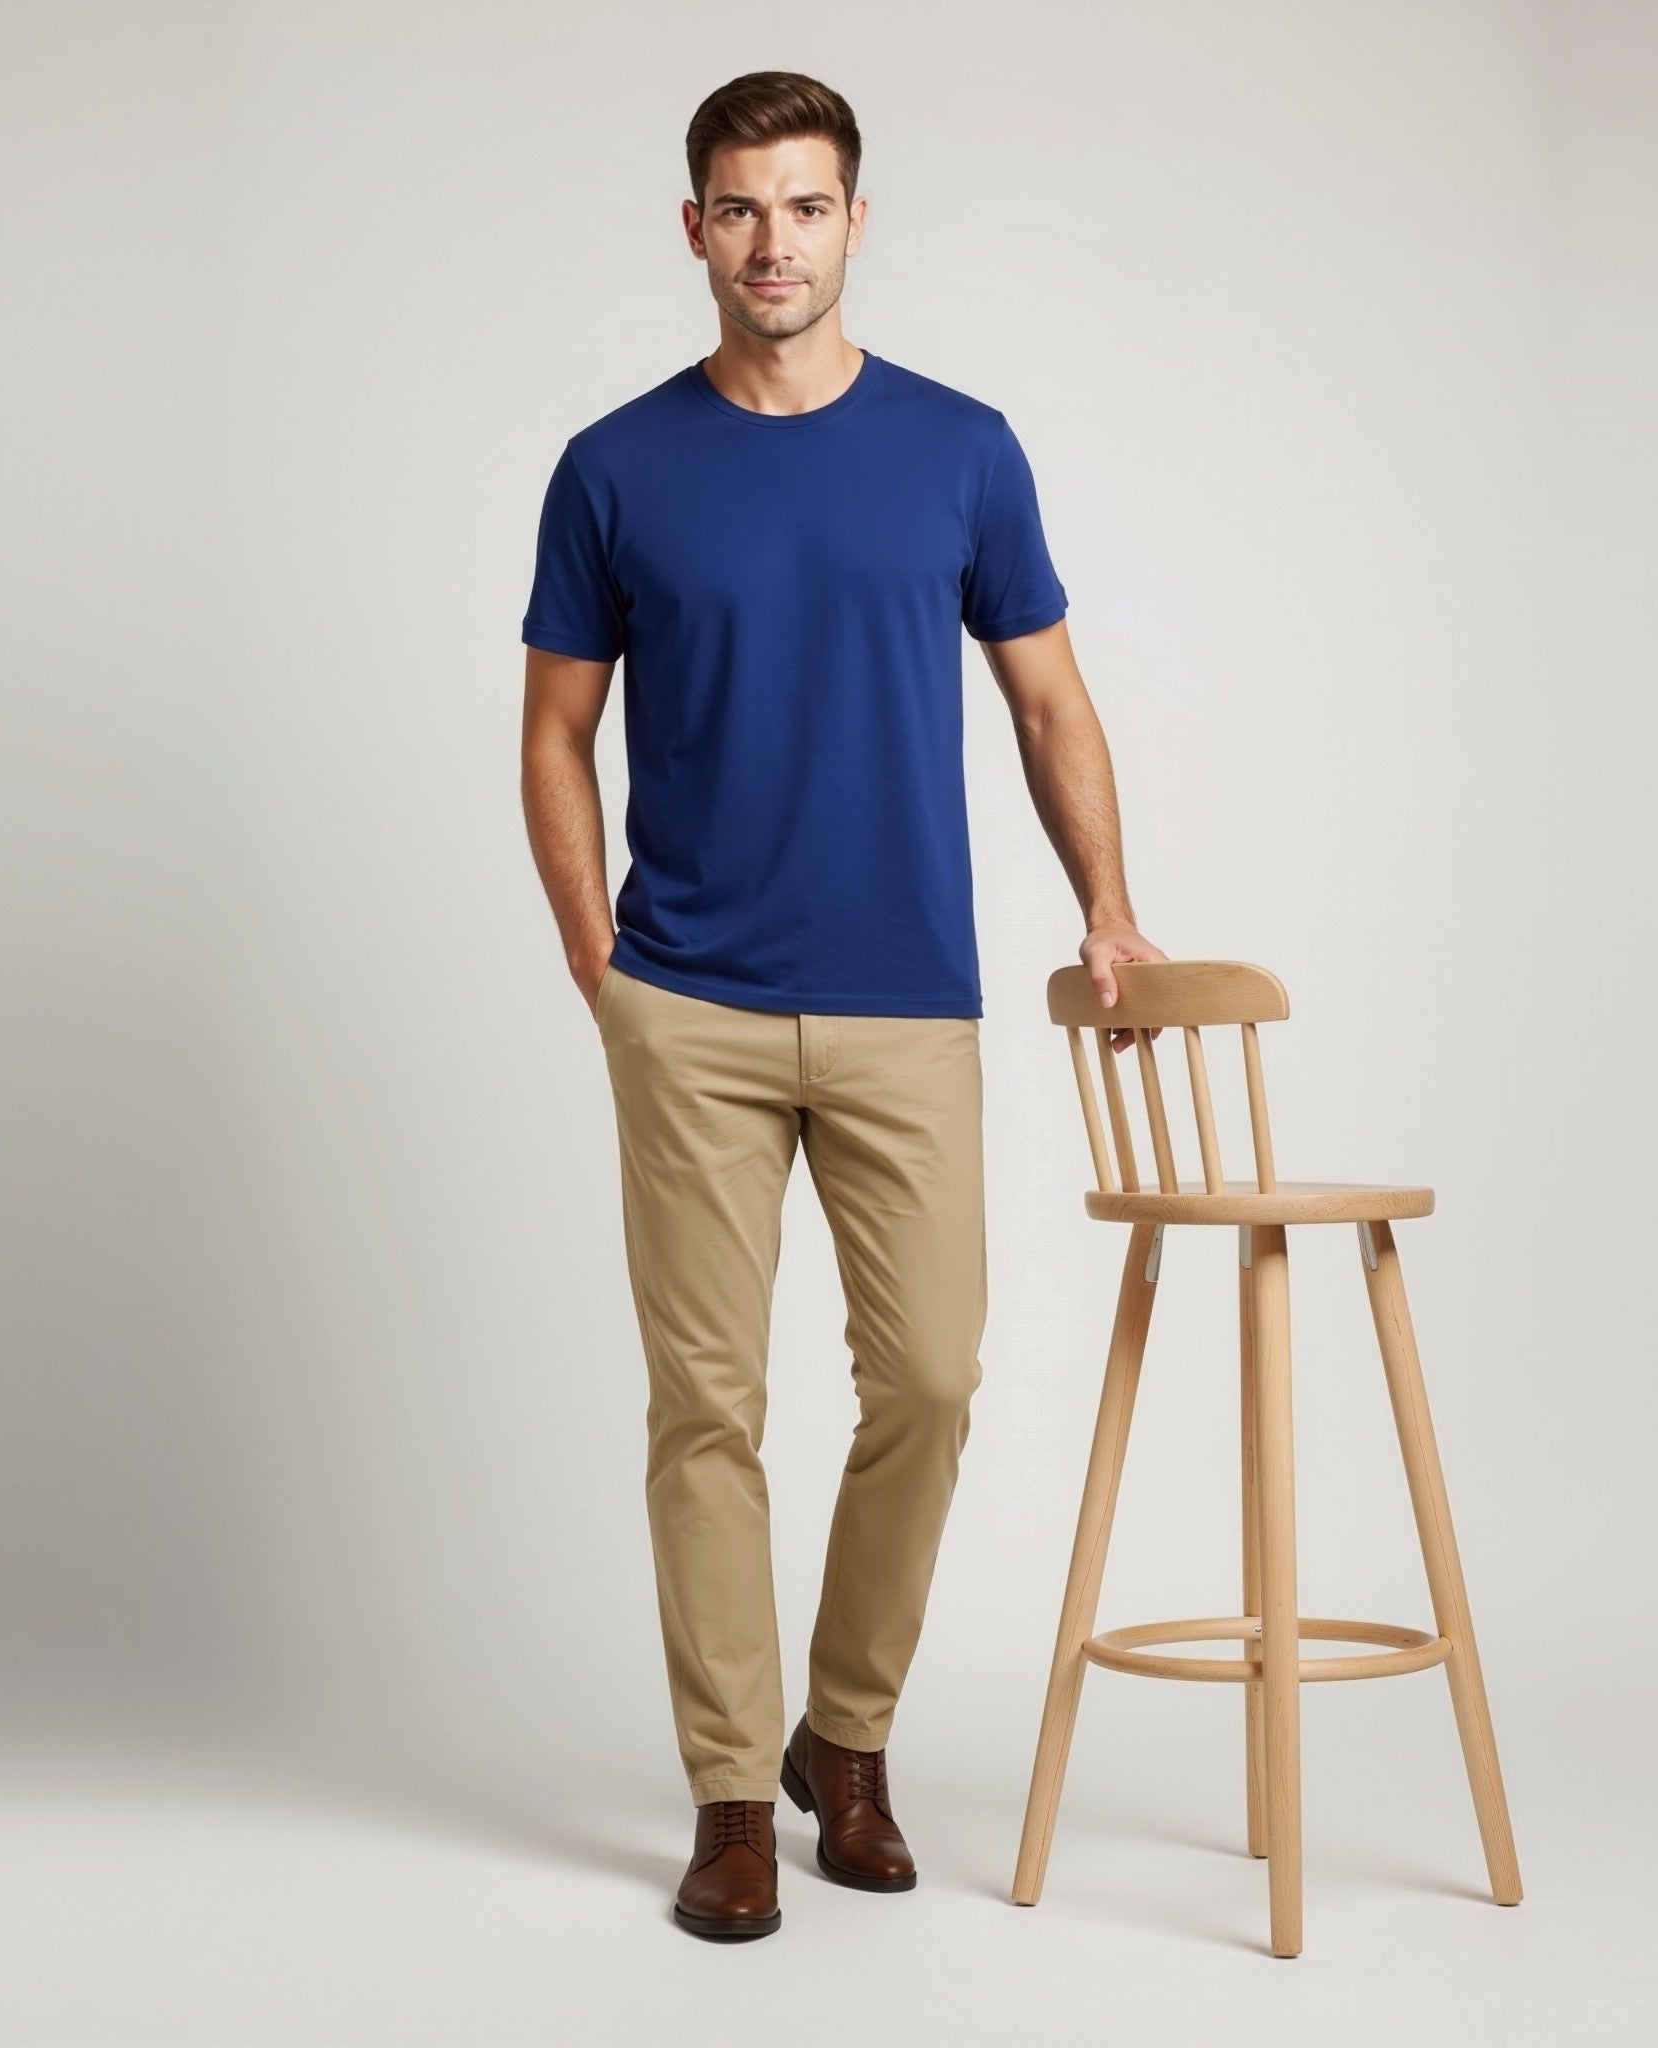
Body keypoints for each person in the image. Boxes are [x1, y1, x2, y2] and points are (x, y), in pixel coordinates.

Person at [518, 69, 1165, 1942]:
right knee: (704, 1408)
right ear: (695, 228)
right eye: (738, 207)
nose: (772, 240)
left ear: (856, 223)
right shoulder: (614, 464)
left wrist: (1109, 905)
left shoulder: (962, 450)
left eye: (804, 207)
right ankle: (734, 1795)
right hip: (692, 1006)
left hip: (906, 1003)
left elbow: (1051, 702)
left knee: (935, 1383)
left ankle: (845, 1739)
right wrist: (597, 961)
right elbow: (555, 732)